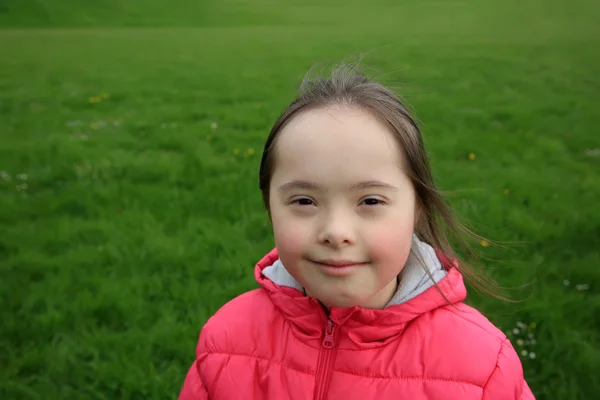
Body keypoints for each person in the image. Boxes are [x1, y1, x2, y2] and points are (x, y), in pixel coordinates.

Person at [178, 63, 535, 399]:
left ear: (416, 210)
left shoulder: (483, 365)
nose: (336, 232)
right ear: (270, 209)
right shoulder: (225, 341)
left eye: (371, 201)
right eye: (304, 201)